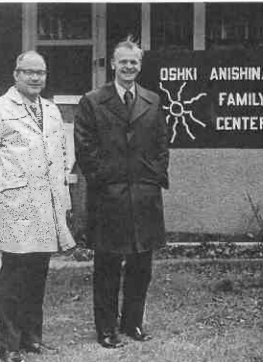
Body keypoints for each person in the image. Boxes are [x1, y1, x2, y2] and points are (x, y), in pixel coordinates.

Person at [0, 50, 75, 362]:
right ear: (16, 74)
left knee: (37, 274)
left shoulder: (52, 111)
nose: (35, 78)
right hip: (15, 206)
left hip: (46, 207)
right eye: (28, 72)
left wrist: (63, 202)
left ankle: (32, 339)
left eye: (40, 73)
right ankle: (9, 345)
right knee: (14, 275)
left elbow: (61, 157)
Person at [74, 36, 169, 348]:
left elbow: (161, 146)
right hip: (109, 197)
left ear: (140, 66)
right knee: (108, 267)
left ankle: (133, 323)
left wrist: (152, 178)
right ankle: (105, 328)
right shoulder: (92, 101)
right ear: (112, 64)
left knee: (142, 266)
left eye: (134, 62)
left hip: (144, 196)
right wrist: (108, 181)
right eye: (123, 61)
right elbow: (86, 151)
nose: (129, 67)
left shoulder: (153, 100)